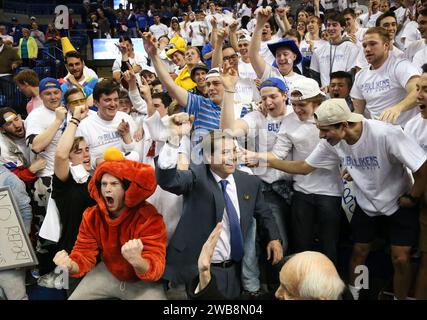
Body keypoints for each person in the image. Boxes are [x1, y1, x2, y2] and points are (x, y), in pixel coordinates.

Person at [262, 98, 427, 300]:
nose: (321, 136)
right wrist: (268, 162)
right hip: (366, 202)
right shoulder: (332, 142)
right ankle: (357, 293)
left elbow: (423, 167)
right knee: (359, 253)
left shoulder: (386, 133)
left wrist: (413, 197)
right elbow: (304, 167)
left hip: (398, 200)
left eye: (325, 130)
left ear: (344, 125)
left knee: (400, 259)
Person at [156, 119, 283, 300]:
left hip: (233, 271)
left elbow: (264, 213)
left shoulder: (249, 182)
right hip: (194, 271)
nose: (232, 157)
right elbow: (168, 180)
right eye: (225, 152)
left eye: (233, 151)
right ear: (208, 158)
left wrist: (274, 237)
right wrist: (173, 140)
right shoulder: (196, 177)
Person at [53, 148, 167, 300]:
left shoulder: (148, 217)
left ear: (126, 189)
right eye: (104, 184)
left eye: (114, 184)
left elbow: (156, 267)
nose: (107, 189)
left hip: (141, 281)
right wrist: (69, 266)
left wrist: (137, 260)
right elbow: (83, 254)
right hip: (109, 271)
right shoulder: (92, 216)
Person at [188, 224, 347, 300]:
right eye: (280, 285)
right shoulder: (276, 296)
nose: (278, 294)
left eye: (288, 292)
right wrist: (204, 274)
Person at [351, 27, 420, 127]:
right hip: (379, 133)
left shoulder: (401, 66)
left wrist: (398, 108)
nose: (367, 49)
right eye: (364, 45)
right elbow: (358, 111)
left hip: (405, 130)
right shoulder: (360, 75)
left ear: (386, 46)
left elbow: (418, 91)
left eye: (373, 44)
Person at [76, 78, 138, 167]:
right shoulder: (84, 126)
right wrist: (98, 162)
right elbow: (79, 159)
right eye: (107, 100)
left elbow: (135, 153)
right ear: (96, 103)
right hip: (99, 177)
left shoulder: (125, 118)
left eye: (116, 100)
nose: (113, 104)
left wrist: (126, 136)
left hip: (126, 174)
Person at [404, 68, 427, 299]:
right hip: (417, 200)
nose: (419, 96)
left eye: (426, 90)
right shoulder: (412, 125)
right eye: (418, 89)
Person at [0, 166, 32, 300]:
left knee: (15, 295)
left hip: (10, 252)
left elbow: (25, 211)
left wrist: (19, 247)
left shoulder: (10, 180)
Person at [310, 11, 360, 88]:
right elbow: (315, 76)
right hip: (325, 97)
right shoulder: (318, 51)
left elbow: (351, 76)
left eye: (334, 25)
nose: (330, 28)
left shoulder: (352, 48)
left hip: (345, 97)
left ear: (343, 27)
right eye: (328, 25)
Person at [0, 107, 46, 183]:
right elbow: (13, 179)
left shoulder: (35, 126)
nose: (17, 125)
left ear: (20, 117)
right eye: (9, 123)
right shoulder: (3, 149)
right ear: (2, 129)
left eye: (16, 119)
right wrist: (31, 170)